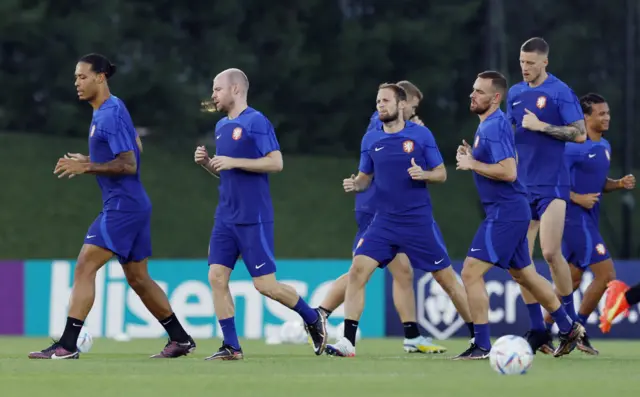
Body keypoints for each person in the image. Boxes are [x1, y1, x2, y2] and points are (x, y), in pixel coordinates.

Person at [30, 53, 195, 359]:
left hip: (123, 206)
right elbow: (135, 145)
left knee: (85, 266)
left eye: (82, 77)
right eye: (75, 78)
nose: (76, 83)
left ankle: (67, 345)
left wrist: (88, 167)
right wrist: (91, 160)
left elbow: (129, 163)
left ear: (100, 77)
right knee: (138, 278)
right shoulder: (111, 109)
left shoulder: (109, 113)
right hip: (133, 204)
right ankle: (180, 339)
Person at [325, 83, 472, 357]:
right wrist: (355, 184)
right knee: (358, 270)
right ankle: (347, 342)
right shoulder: (371, 139)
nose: (380, 105)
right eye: (378, 101)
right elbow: (365, 177)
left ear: (401, 105)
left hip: (417, 222)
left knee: (447, 280)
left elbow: (441, 173)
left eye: (385, 101)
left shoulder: (421, 135)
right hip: (384, 222)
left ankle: (479, 338)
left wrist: (424, 174)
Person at [194, 68, 328, 360]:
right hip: (225, 216)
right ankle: (232, 347)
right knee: (216, 277)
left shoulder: (256, 121)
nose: (213, 95)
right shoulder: (221, 126)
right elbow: (228, 172)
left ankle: (313, 318)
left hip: (253, 215)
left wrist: (234, 161)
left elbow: (276, 163)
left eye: (217, 89)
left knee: (265, 285)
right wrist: (208, 163)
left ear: (236, 90)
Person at [454, 70, 585, 359]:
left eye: (479, 91)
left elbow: (509, 171)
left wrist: (472, 163)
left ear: (496, 97)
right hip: (513, 209)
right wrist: (473, 157)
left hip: (505, 211)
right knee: (524, 274)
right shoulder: (491, 124)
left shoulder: (493, 126)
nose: (472, 95)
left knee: (470, 272)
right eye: (473, 90)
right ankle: (567, 325)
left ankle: (482, 345)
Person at [506, 37, 587, 353]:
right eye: (522, 62)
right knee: (519, 263)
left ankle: (570, 323)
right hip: (521, 187)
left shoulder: (560, 92)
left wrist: (541, 126)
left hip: (552, 184)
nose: (525, 68)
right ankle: (538, 330)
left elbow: (579, 134)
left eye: (531, 63)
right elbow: (510, 134)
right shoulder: (514, 93)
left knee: (551, 253)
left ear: (544, 63)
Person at [542, 93, 635, 354]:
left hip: (588, 220)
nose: (607, 118)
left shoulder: (604, 145)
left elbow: (597, 182)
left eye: (608, 113)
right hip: (573, 219)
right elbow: (551, 182)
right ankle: (578, 331)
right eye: (601, 113)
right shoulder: (572, 148)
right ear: (585, 117)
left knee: (570, 281)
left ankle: (542, 331)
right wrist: (575, 197)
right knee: (607, 275)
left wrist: (616, 184)